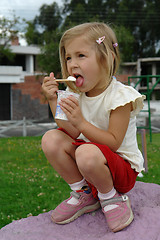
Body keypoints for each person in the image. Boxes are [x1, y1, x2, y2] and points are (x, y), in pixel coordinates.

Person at [41, 22, 145, 233]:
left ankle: (111, 198)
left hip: (120, 170)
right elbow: (68, 129)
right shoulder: (77, 95)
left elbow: (113, 143)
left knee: (86, 152)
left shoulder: (120, 97)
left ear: (107, 59)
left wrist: (81, 123)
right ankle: (84, 193)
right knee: (51, 138)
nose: (72, 64)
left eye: (81, 55)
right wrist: (53, 99)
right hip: (89, 159)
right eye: (69, 57)